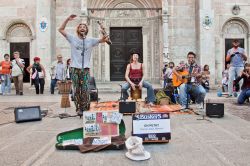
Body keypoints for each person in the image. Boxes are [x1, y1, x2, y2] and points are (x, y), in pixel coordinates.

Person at [58, 14, 109, 115]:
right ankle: (79, 109)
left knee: (85, 89)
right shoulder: (72, 38)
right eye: (80, 27)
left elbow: (104, 40)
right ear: (78, 30)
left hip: (85, 68)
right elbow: (60, 29)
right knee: (76, 90)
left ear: (86, 30)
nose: (82, 28)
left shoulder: (90, 40)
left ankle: (85, 107)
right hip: (74, 68)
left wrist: (103, 30)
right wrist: (67, 19)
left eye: (84, 27)